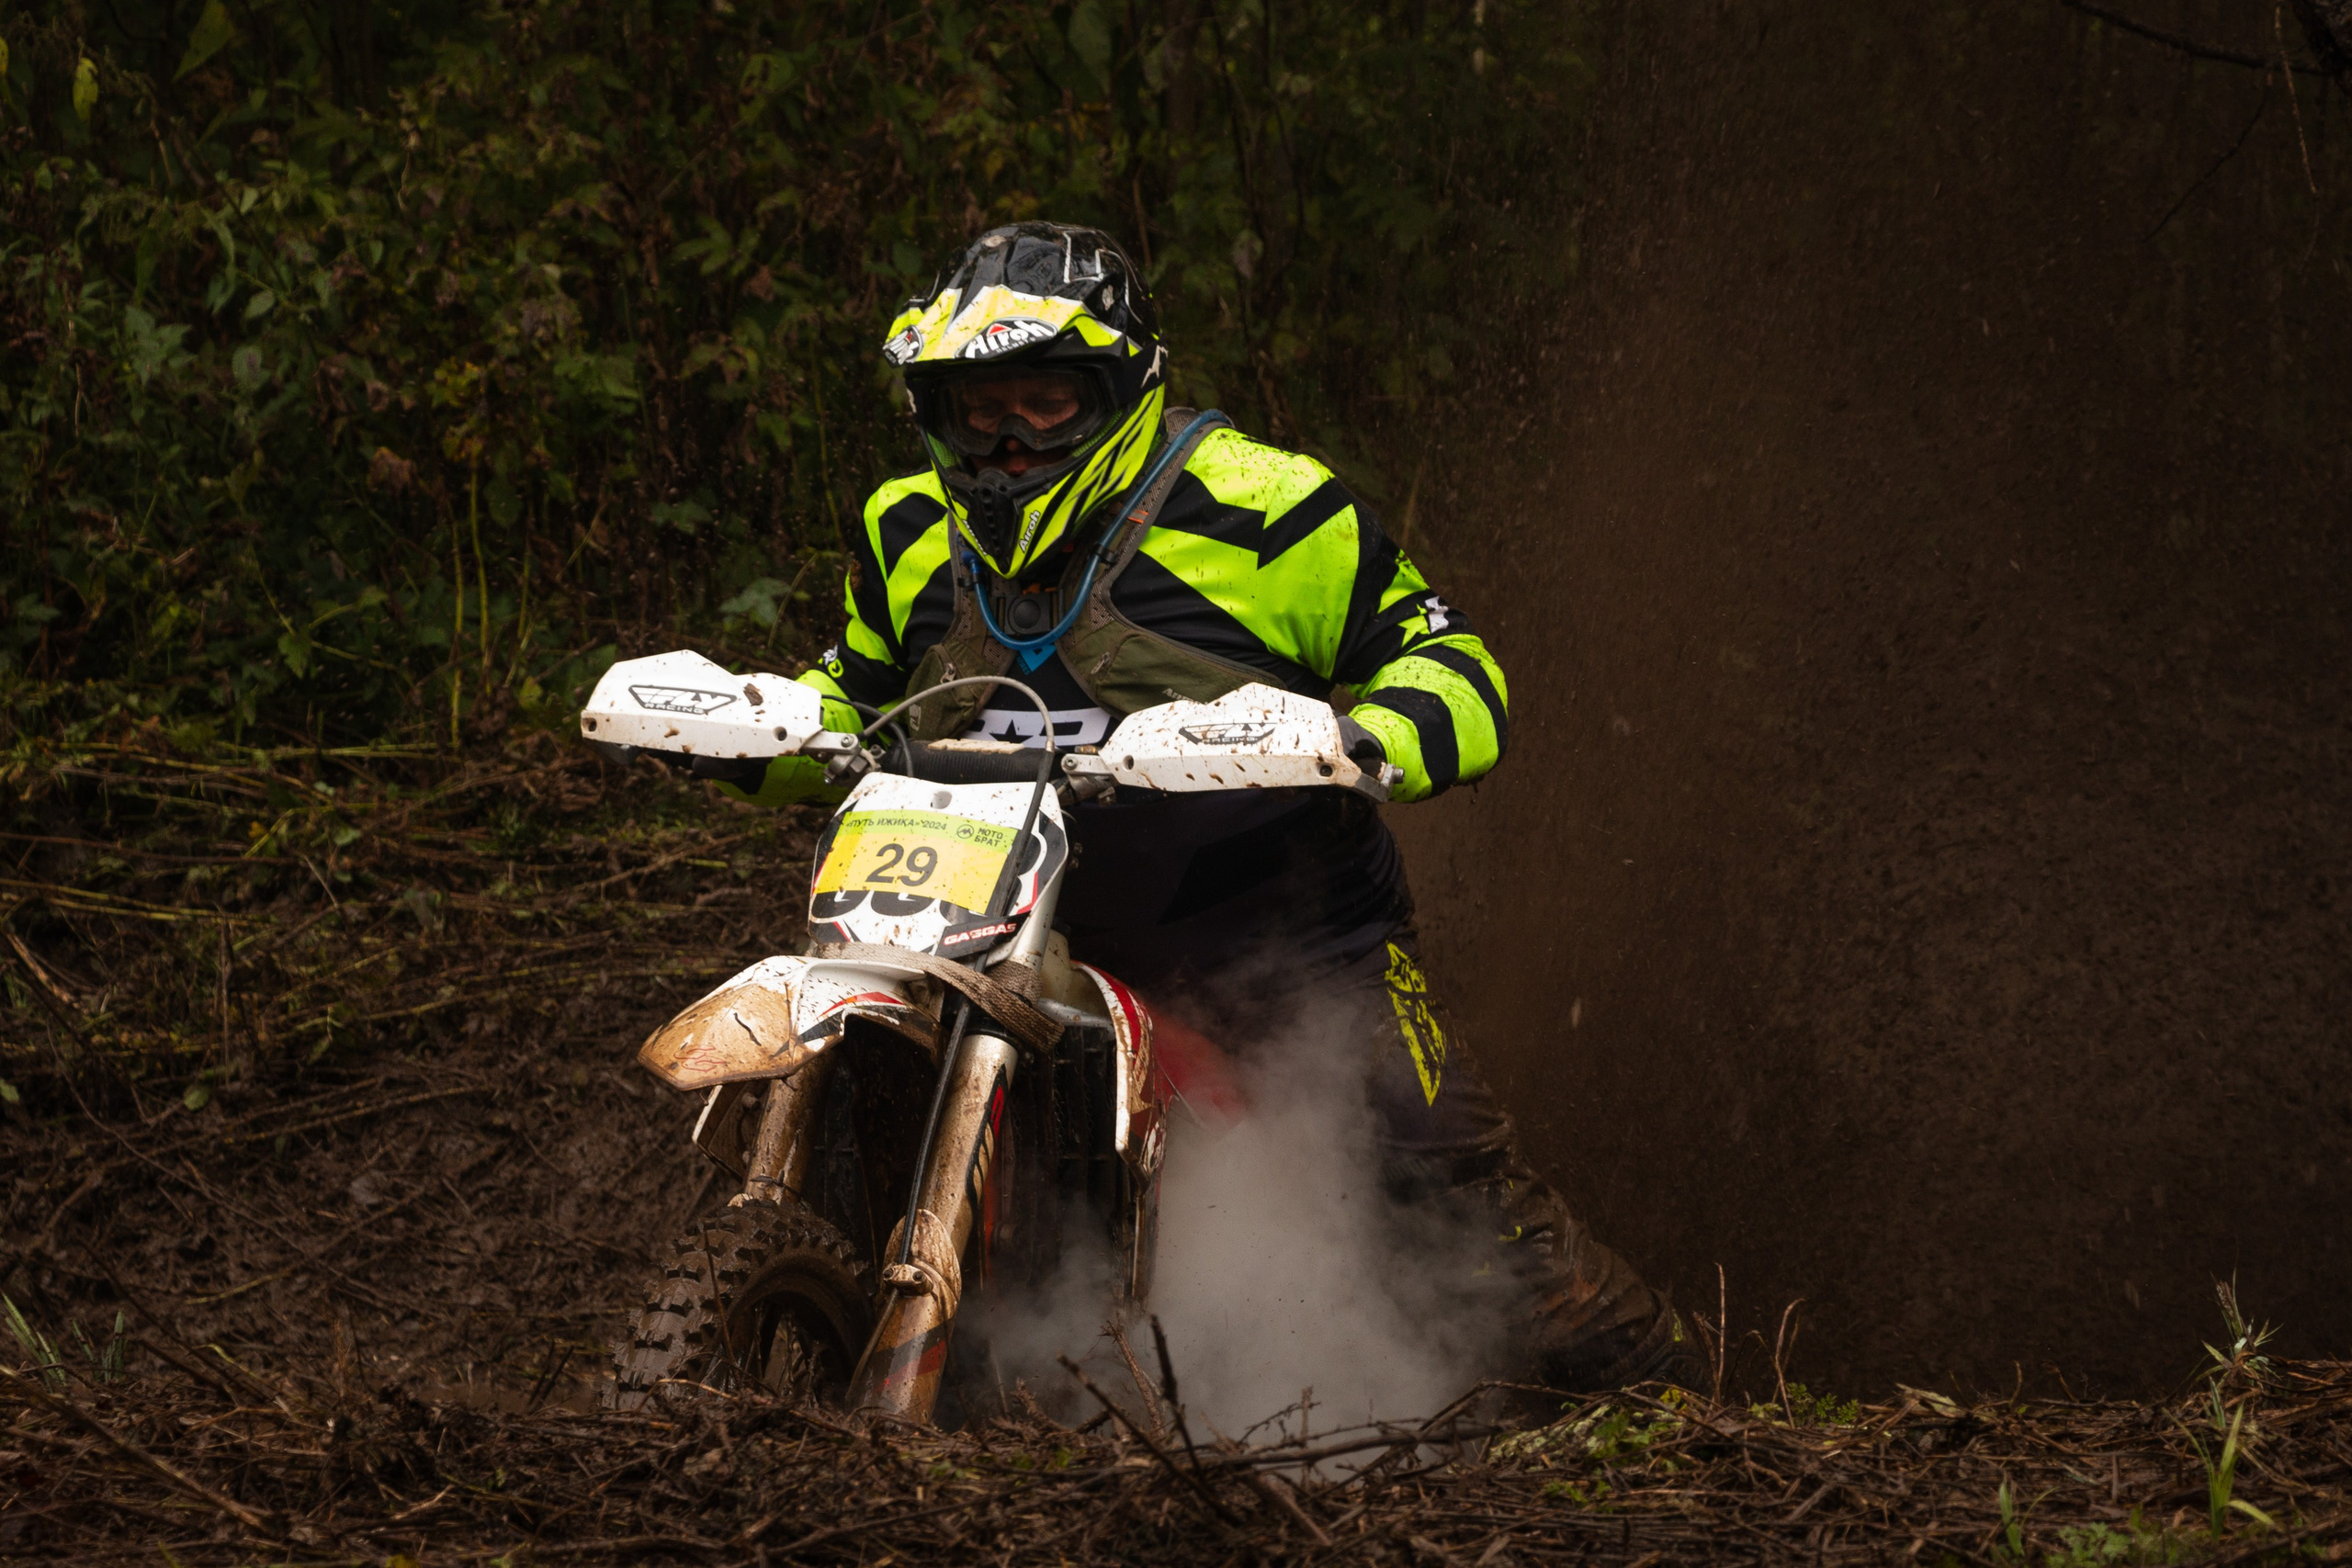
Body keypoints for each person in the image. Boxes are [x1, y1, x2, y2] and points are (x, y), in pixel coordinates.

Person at [727, 221, 1690, 1394]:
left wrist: (1365, 739)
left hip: (1285, 959)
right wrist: (751, 727)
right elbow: (853, 695)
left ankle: (1687, 1410)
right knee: (873, 1116)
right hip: (1000, 946)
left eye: (1042, 401)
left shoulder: (1271, 511)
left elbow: (1454, 667)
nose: (1007, 439)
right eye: (977, 408)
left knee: (1463, 1219)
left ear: (1118, 389)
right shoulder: (907, 528)